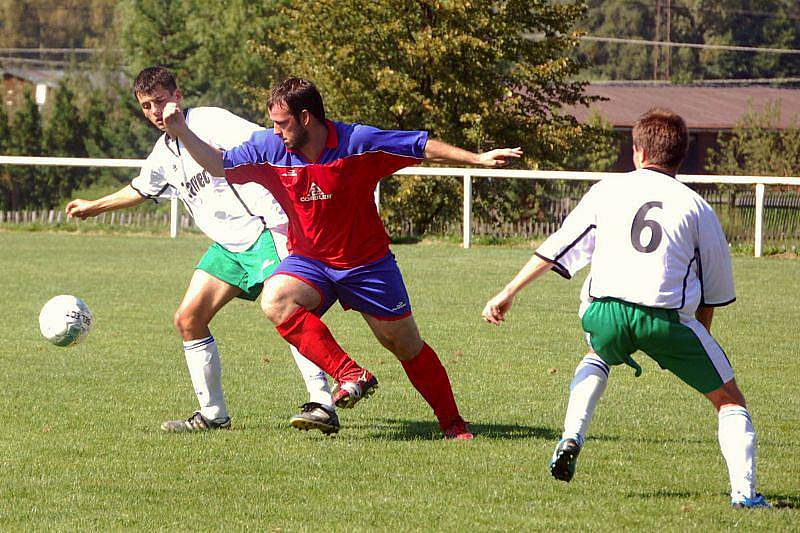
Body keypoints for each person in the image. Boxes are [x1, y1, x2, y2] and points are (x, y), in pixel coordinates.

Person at [162, 76, 523, 439]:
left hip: (368, 265)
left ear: (306, 118)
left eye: (282, 123)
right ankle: (351, 374)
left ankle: (453, 424)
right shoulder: (270, 149)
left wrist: (476, 158)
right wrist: (182, 131)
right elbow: (218, 165)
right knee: (276, 300)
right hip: (310, 262)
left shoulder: (357, 143)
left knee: (405, 344)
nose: (275, 131)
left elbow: (420, 146)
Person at [482, 108, 770, 508]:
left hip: (604, 314)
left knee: (597, 349)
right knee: (730, 401)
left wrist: (508, 291)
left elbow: (557, 248)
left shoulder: (607, 190)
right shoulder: (698, 209)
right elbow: (712, 293)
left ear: (637, 152)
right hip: (665, 320)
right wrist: (697, 340)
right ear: (681, 156)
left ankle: (571, 436)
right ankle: (745, 495)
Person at [66, 67, 340, 435]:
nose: (154, 111)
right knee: (188, 319)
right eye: (146, 106)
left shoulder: (209, 120)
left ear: (177, 97)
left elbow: (264, 143)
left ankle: (322, 402)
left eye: (160, 101)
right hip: (227, 247)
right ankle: (213, 414)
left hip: (263, 230)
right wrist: (93, 206)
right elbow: (140, 189)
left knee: (287, 314)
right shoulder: (163, 153)